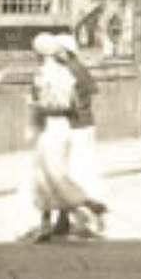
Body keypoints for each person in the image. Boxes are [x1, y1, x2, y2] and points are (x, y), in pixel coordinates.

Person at [21, 32, 106, 242]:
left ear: (40, 54)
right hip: (65, 127)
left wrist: (37, 107)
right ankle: (53, 222)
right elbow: (75, 103)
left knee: (49, 175)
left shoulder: (42, 76)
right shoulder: (66, 74)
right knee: (51, 174)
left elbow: (42, 104)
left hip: (49, 127)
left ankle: (85, 203)